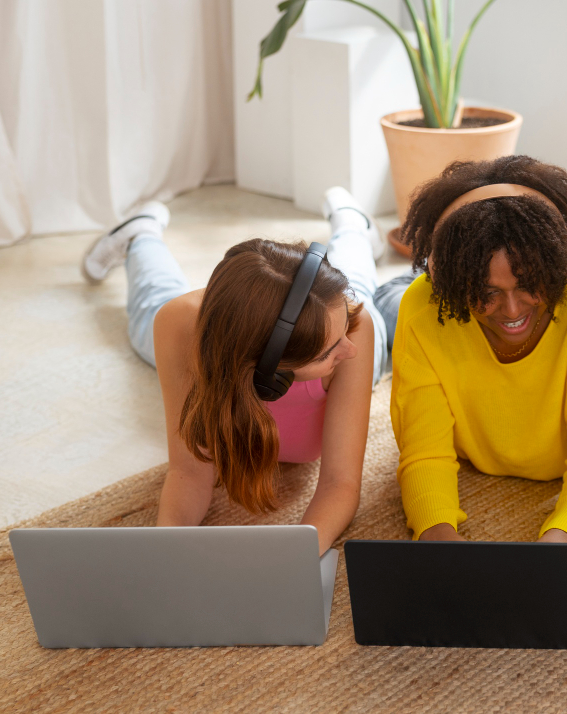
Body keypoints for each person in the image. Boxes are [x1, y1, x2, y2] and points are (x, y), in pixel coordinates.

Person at [81, 187, 402, 554]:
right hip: (220, 334)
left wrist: (292, 559)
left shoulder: (355, 333)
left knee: (358, 289)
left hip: (346, 310)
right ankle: (141, 236)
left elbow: (340, 485)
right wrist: (167, 549)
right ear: (267, 369)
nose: (350, 350)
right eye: (326, 351)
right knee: (148, 317)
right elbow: (188, 472)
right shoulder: (182, 326)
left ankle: (352, 226)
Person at [389, 155, 567, 544]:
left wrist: (559, 543)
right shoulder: (422, 311)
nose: (513, 311)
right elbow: (424, 454)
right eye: (487, 293)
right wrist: (437, 538)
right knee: (369, 302)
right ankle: (348, 222)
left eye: (528, 285)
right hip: (399, 302)